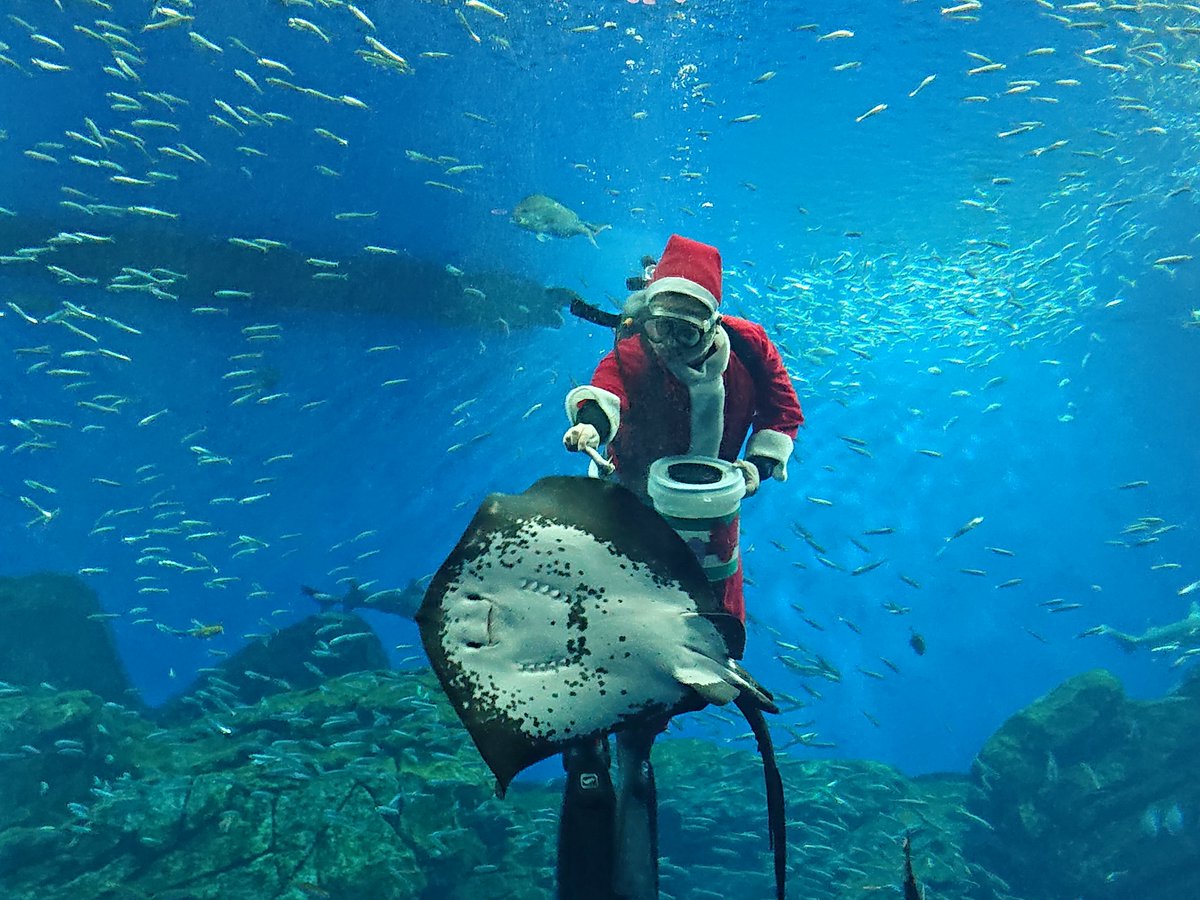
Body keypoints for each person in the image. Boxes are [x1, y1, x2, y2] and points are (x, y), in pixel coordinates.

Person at [555, 234, 804, 900]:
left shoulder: (751, 348)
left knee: (692, 628)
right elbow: (605, 388)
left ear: (711, 322)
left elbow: (783, 411)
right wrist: (589, 425)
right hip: (632, 507)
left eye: (682, 330)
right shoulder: (635, 348)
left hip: (713, 510)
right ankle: (593, 743)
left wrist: (756, 467)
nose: (665, 343)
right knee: (610, 631)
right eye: (658, 326)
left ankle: (639, 738)